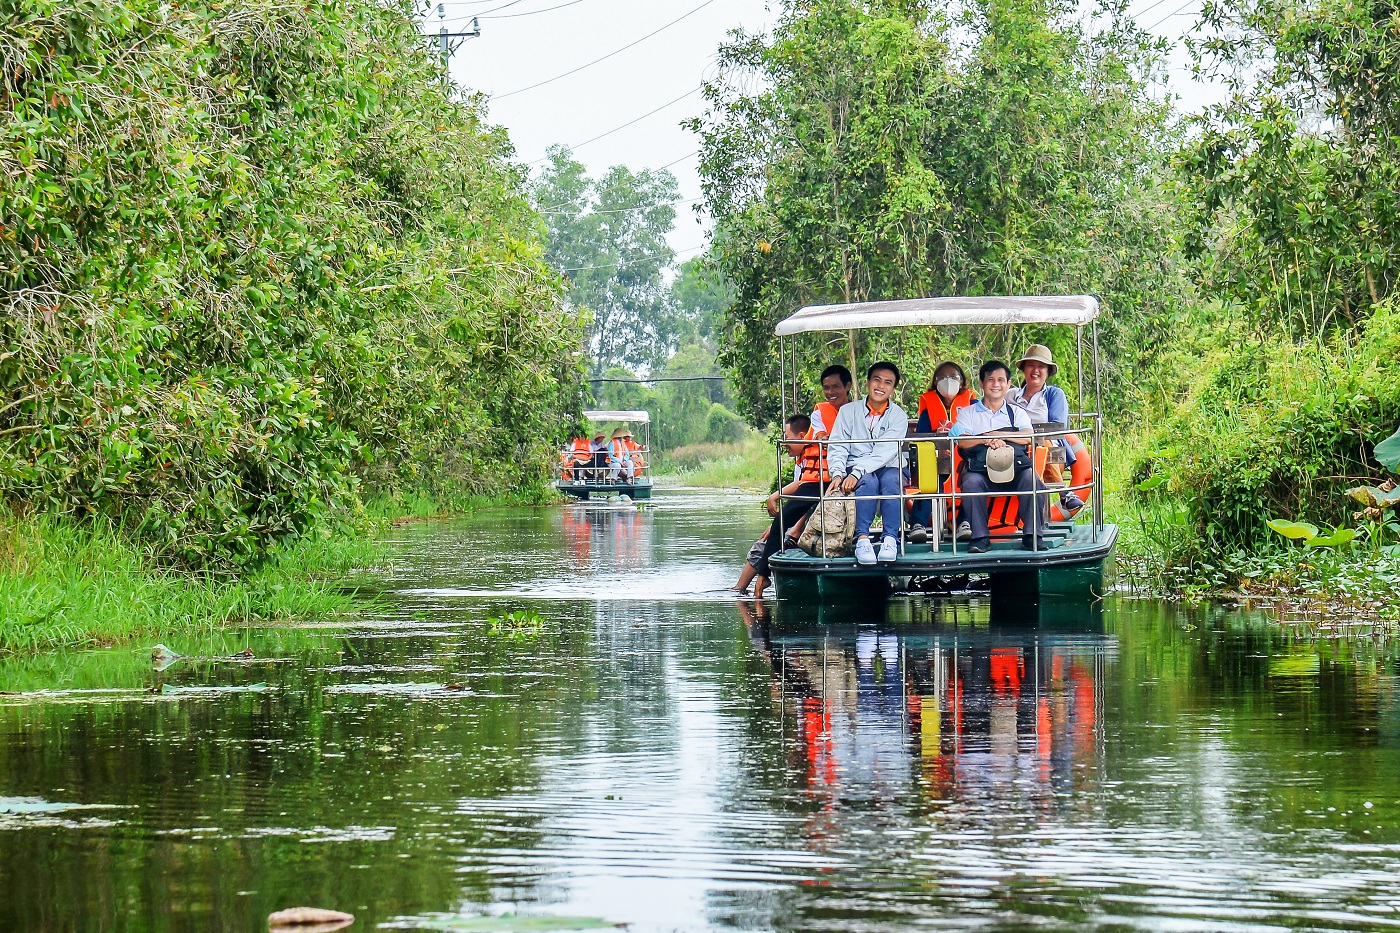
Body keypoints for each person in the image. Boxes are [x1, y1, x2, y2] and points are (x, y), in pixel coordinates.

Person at [952, 360, 1047, 553]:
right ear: (981, 383)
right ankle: (980, 538)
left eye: (1001, 380)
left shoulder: (1017, 413)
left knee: (1032, 479)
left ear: (1009, 384)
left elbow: (1028, 437)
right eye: (990, 380)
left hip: (1015, 470)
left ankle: (1032, 536)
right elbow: (963, 442)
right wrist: (986, 439)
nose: (996, 384)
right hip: (981, 471)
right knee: (970, 482)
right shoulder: (967, 414)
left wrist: (999, 435)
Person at [826, 361, 908, 565]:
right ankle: (862, 538)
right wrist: (837, 473)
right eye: (877, 380)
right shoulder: (848, 412)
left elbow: (885, 452)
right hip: (856, 467)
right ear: (867, 383)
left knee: (891, 479)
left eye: (888, 383)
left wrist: (856, 472)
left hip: (889, 464)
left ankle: (890, 538)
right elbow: (838, 445)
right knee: (868, 481)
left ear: (893, 388)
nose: (881, 386)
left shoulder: (898, 416)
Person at [1007, 344, 1084, 516]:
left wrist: (1028, 435)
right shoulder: (1010, 396)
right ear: (1024, 370)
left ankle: (1064, 494)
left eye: (1041, 366)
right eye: (1031, 366)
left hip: (1051, 452)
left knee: (1042, 442)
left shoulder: (1054, 395)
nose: (1035, 371)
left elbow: (1057, 427)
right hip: (1016, 451)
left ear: (1047, 372)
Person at [749, 414, 823, 589]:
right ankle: (758, 578)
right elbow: (802, 483)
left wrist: (775, 496)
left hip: (815, 497)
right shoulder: (805, 459)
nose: (784, 442)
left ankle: (762, 577)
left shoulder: (818, 455)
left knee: (779, 523)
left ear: (802, 436)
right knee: (777, 526)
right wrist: (775, 496)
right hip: (810, 496)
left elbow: (807, 487)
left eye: (787, 437)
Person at [910, 361, 976, 540]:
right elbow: (921, 436)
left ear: (961, 381)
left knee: (972, 478)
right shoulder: (929, 407)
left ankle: (965, 521)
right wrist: (937, 438)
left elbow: (979, 428)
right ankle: (918, 524)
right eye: (942, 378)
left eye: (953, 377)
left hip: (966, 457)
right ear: (935, 382)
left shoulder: (972, 403)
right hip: (937, 458)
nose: (948, 381)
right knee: (929, 477)